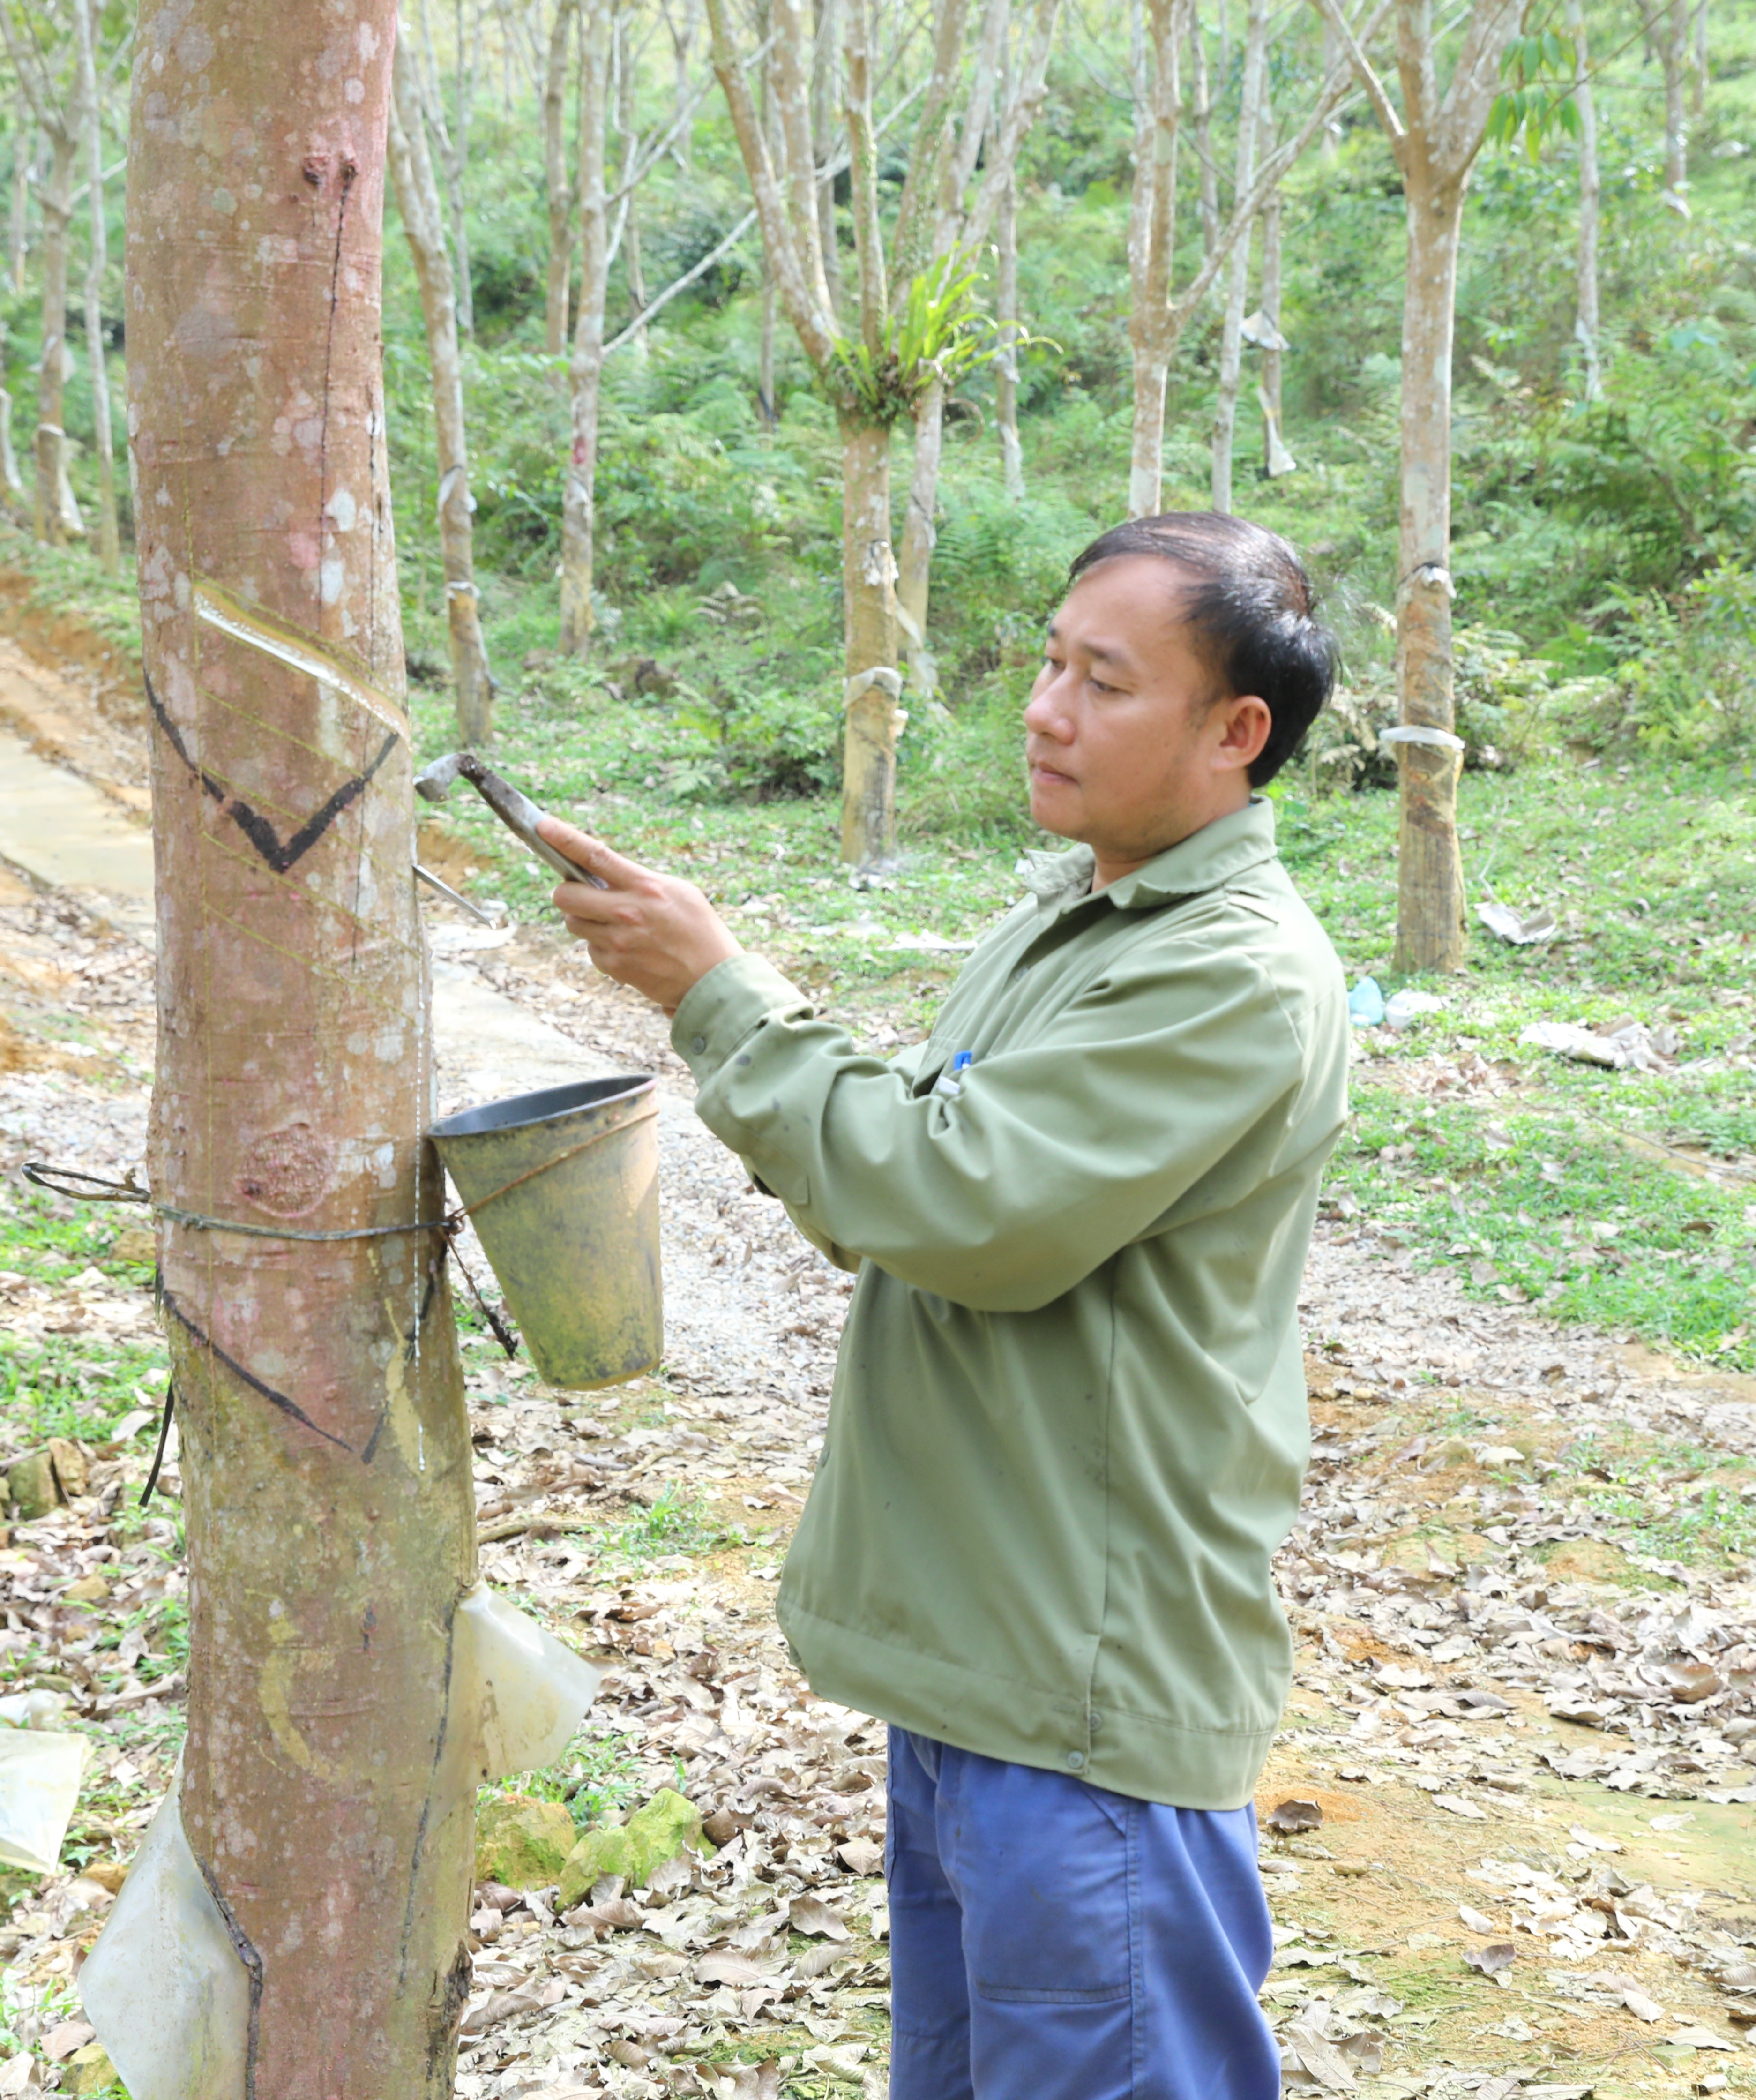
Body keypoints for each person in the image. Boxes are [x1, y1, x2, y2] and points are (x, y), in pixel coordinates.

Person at [539, 512, 1351, 2100]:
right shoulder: (1078, 918)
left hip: (1086, 1692)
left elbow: (951, 1206)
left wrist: (718, 993)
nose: (1047, 708)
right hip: (985, 1662)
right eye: (1050, 664)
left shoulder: (1233, 972)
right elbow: (909, 1172)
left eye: (1104, 682)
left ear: (1236, 732)